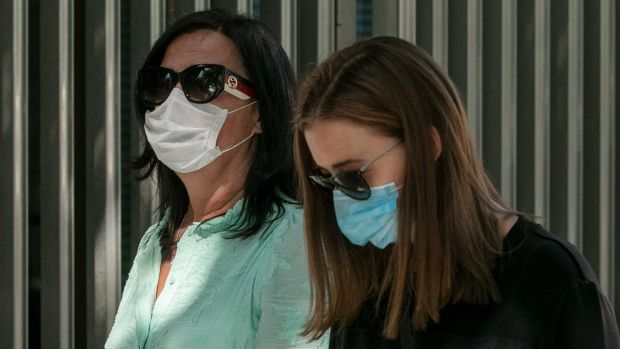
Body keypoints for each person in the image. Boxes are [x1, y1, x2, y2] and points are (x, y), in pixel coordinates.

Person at [293, 36, 619, 348]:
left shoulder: (549, 282)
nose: (343, 197)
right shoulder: (367, 292)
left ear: (427, 145)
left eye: (353, 175)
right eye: (328, 179)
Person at [106, 9, 328, 348]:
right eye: (160, 83)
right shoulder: (159, 238)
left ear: (261, 112)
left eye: (204, 81)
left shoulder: (296, 241)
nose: (174, 102)